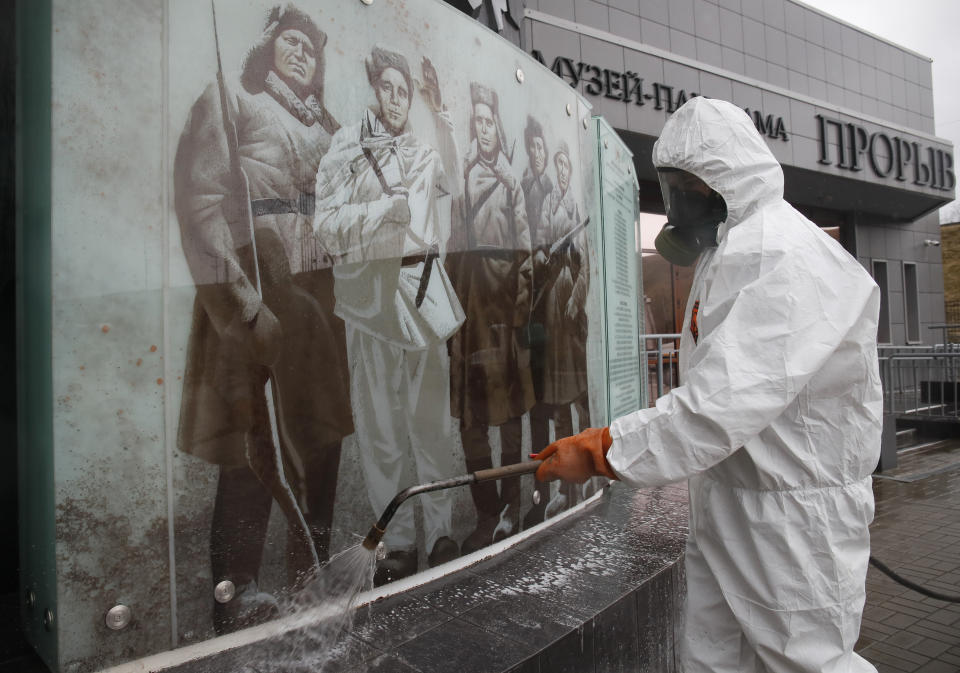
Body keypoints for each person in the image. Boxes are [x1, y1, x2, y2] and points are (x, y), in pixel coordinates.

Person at [533, 97, 882, 673]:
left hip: (791, 517)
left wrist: (604, 449)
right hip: (733, 497)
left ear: (727, 177)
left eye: (685, 185)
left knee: (809, 662)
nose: (675, 203)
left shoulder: (783, 255)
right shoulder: (732, 250)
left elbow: (720, 404)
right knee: (717, 655)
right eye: (668, 186)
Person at [174, 4, 353, 634]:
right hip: (251, 298)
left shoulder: (331, 132)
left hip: (317, 307)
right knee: (252, 453)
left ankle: (313, 578)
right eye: (290, 41)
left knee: (321, 444)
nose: (302, 53)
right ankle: (238, 591)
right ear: (267, 46)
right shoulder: (233, 102)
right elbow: (199, 204)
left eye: (312, 47)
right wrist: (244, 308)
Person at [313, 47, 465, 586]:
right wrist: (383, 210)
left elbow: (453, 176)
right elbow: (325, 225)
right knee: (379, 427)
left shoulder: (424, 152)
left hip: (422, 293)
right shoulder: (344, 148)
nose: (397, 100)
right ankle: (396, 544)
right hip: (370, 296)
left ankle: (441, 532)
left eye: (404, 92)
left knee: (429, 424)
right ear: (374, 90)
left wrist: (440, 106)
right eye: (389, 89)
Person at [448, 82, 535, 554]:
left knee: (508, 413)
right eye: (476, 122)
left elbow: (524, 256)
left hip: (501, 311)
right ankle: (486, 513)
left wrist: (518, 314)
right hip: (469, 309)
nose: (483, 130)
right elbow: (450, 244)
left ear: (498, 129)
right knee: (472, 418)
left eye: (488, 122)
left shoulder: (511, 184)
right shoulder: (462, 178)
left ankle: (510, 507)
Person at [526, 140, 591, 526]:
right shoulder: (550, 204)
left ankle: (578, 478)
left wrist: (575, 302)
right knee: (558, 402)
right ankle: (564, 482)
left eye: (567, 166)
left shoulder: (576, 209)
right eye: (559, 165)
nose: (562, 172)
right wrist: (545, 257)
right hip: (552, 313)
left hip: (569, 318)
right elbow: (541, 250)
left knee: (575, 396)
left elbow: (586, 268)